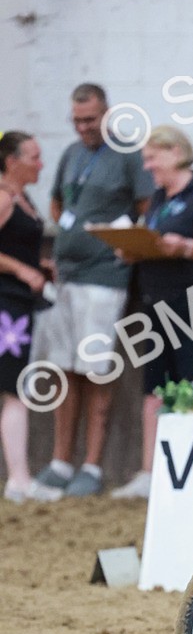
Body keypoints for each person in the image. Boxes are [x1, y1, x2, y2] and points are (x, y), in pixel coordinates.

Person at [32, 82, 153, 496]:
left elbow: (145, 207)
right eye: (77, 120)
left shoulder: (127, 153)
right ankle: (61, 461)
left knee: (96, 369)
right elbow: (57, 202)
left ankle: (92, 466)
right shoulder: (70, 153)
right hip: (65, 276)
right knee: (65, 369)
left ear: (107, 114)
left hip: (105, 279)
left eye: (91, 119)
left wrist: (128, 243)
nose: (84, 127)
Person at [111, 126, 193, 498]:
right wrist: (135, 248)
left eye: (152, 158)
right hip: (155, 305)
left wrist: (183, 247)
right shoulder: (157, 199)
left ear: (174, 153)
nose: (148, 166)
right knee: (154, 387)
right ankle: (151, 472)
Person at [0, 132, 61, 503]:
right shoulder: (4, 197)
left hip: (18, 306)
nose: (41, 163)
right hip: (7, 307)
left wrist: (36, 266)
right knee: (14, 392)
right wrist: (23, 271)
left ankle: (19, 478)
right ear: (11, 161)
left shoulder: (21, 197)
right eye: (34, 157)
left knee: (16, 390)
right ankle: (19, 480)